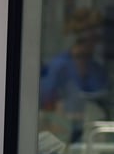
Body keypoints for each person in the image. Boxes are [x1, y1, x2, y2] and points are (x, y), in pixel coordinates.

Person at [39, 7, 109, 142]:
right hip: (61, 132)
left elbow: (103, 102)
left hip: (90, 135)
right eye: (90, 38)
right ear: (79, 38)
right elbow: (44, 101)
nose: (94, 43)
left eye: (96, 38)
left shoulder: (97, 70)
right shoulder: (59, 66)